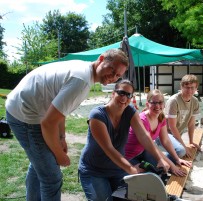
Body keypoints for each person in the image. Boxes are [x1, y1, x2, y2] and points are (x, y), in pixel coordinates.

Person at [5, 48, 129, 201]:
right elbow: (48, 123)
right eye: (112, 69)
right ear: (102, 59)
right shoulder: (82, 81)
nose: (113, 77)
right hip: (25, 114)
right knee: (51, 177)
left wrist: (61, 137)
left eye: (118, 75)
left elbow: (59, 108)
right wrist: (59, 155)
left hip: (31, 109)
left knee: (41, 165)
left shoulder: (83, 70)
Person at [78, 80, 170, 201]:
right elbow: (109, 149)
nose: (124, 97)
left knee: (132, 197)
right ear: (113, 93)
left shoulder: (130, 111)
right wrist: (131, 169)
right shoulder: (97, 115)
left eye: (128, 95)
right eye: (121, 93)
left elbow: (144, 136)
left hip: (117, 168)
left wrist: (160, 159)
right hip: (94, 170)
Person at [125, 89, 192, 177]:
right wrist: (172, 166)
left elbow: (165, 141)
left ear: (164, 104)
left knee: (168, 162)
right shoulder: (142, 120)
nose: (157, 106)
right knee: (152, 174)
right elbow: (153, 147)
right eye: (154, 103)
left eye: (160, 102)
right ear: (147, 104)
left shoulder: (161, 117)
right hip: (130, 156)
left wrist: (177, 159)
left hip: (144, 151)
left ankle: (160, 160)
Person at [165, 74, 201, 159]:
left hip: (176, 135)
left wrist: (191, 141)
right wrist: (184, 146)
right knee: (181, 151)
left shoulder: (195, 101)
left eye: (192, 88)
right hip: (165, 134)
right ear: (181, 87)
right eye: (187, 87)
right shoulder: (173, 101)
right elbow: (172, 127)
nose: (190, 90)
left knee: (182, 151)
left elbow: (191, 124)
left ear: (196, 88)